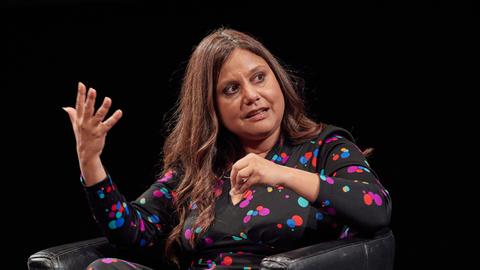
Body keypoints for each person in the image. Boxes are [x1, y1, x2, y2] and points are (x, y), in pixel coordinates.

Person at [63, 28, 392, 270]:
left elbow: (375, 208)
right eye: (231, 89)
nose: (251, 95)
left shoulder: (324, 148)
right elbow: (132, 231)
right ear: (212, 108)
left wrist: (281, 174)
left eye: (259, 78)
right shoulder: (197, 170)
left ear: (278, 80)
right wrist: (91, 160)